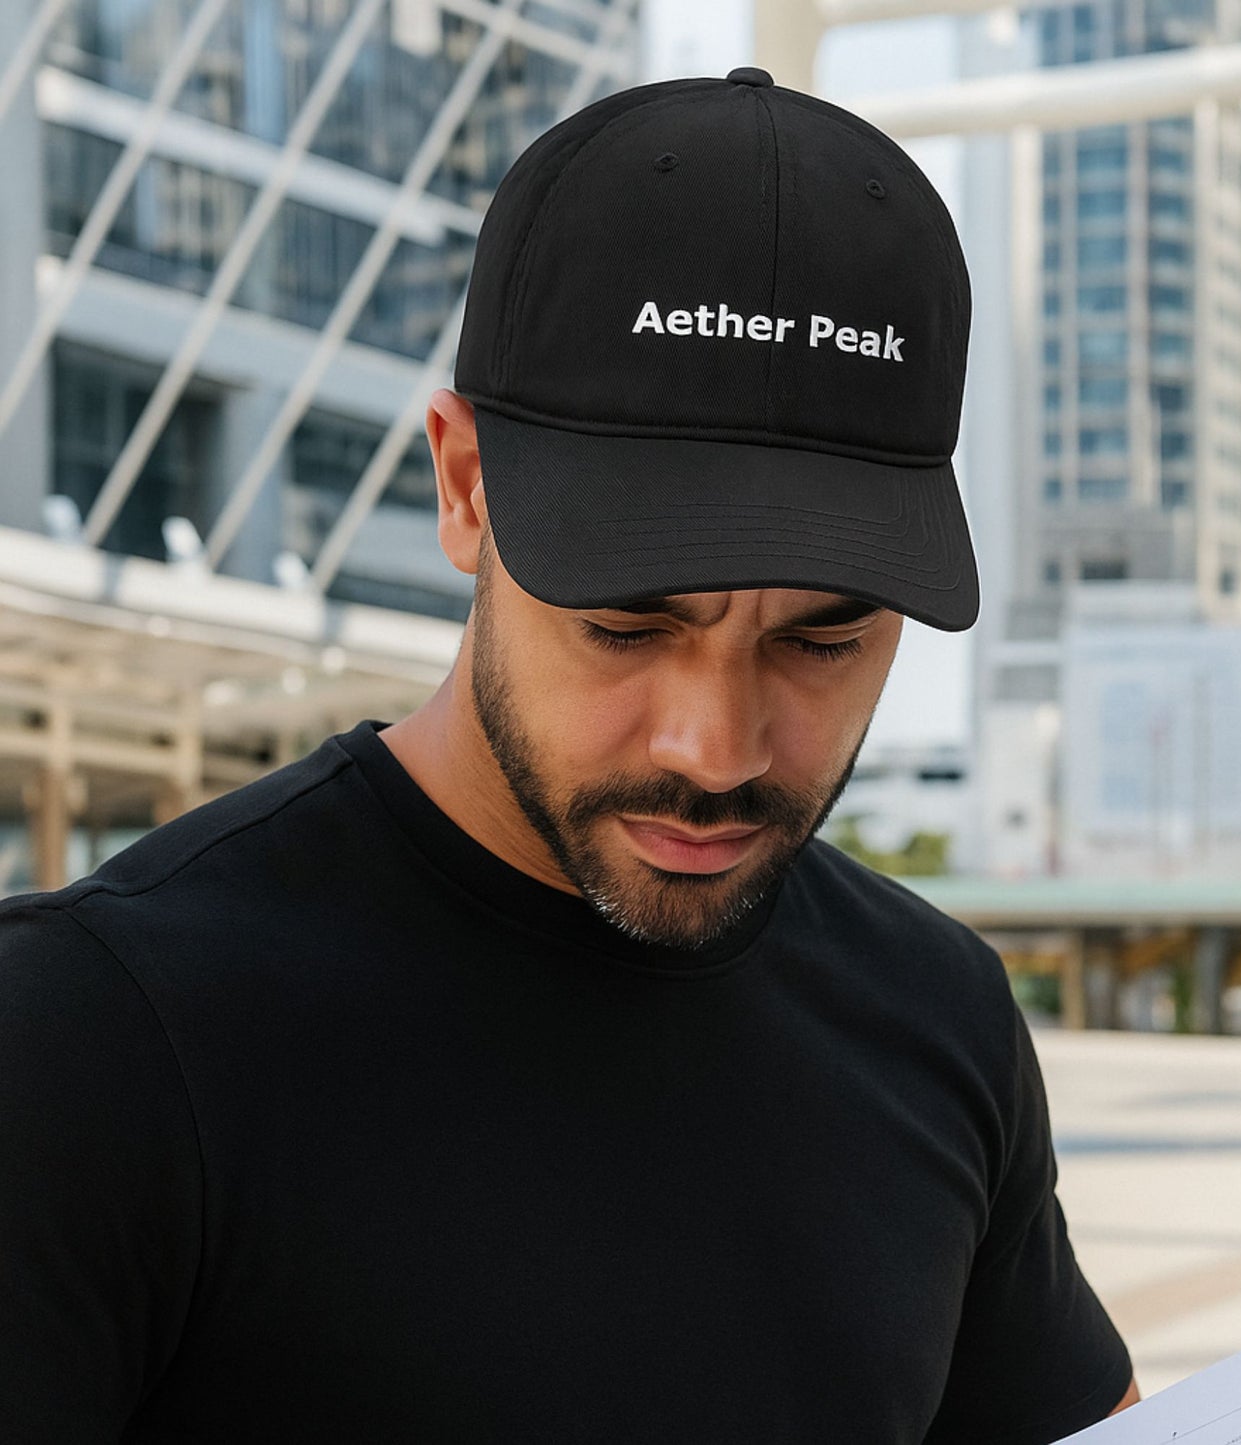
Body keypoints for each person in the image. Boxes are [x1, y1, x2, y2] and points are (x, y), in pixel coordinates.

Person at [0, 70, 1137, 1442]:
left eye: (821, 643)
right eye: (626, 624)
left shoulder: (939, 1015)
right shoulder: (88, 1040)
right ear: (465, 487)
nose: (713, 748)